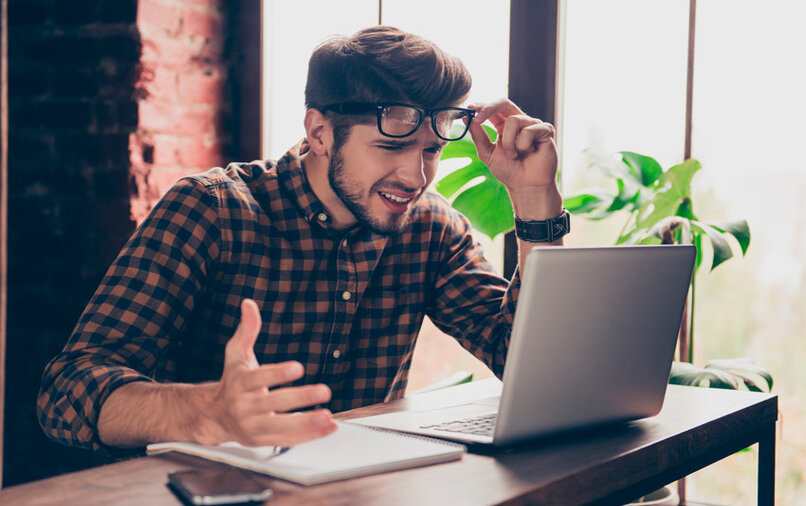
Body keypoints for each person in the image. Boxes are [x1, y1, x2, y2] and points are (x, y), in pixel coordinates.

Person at [37, 26, 566, 452]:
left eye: (430, 151)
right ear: (319, 133)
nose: (414, 176)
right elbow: (67, 391)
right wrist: (207, 412)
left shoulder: (429, 229)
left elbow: (527, 365)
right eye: (389, 147)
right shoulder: (213, 210)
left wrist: (536, 201)